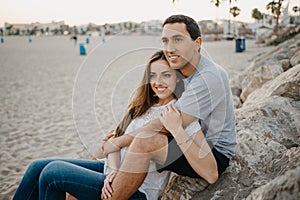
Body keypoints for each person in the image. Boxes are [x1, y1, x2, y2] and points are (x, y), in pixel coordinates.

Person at [12, 50, 200, 200]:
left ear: (177, 77)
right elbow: (114, 143)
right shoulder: (142, 106)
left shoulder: (175, 112)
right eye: (153, 76)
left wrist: (115, 174)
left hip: (138, 190)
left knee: (54, 173)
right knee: (37, 167)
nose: (158, 82)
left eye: (165, 75)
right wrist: (113, 171)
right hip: (109, 171)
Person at [100, 14, 237, 200]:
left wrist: (121, 140)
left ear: (197, 43)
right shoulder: (181, 67)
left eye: (178, 40)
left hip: (213, 152)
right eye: (165, 41)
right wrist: (122, 131)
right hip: (190, 137)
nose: (170, 48)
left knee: (144, 141)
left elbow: (167, 123)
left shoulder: (209, 76)